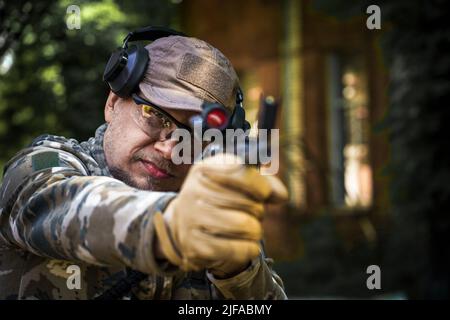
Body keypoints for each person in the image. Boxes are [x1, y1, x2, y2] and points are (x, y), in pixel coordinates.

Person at [0, 28, 288, 300]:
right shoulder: (43, 166)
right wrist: (172, 226)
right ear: (113, 102)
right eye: (154, 114)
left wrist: (238, 271)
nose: (169, 148)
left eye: (198, 134)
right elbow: (62, 204)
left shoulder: (213, 213)